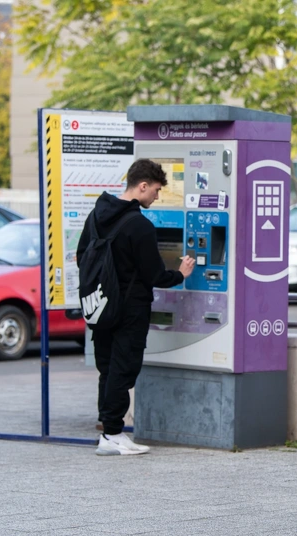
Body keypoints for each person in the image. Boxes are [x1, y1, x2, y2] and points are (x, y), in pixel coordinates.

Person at [77, 159, 194, 456]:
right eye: (155, 190)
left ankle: (109, 431)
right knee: (123, 369)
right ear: (142, 186)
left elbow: (81, 256)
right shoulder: (139, 225)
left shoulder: (96, 216)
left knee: (108, 368)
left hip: (101, 305)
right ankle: (113, 435)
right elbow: (154, 274)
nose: (157, 196)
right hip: (130, 309)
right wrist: (180, 273)